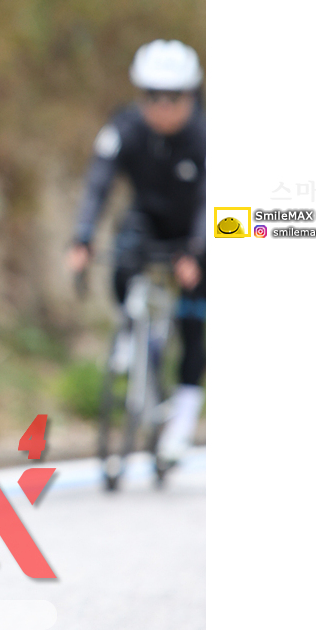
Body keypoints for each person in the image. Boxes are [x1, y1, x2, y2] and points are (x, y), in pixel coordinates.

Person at [66, 40, 205, 468]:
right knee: (124, 251)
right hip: (148, 219)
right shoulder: (125, 128)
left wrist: (196, 252)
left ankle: (184, 417)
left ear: (191, 97)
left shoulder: (207, 136)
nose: (162, 107)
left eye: (173, 97)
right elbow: (98, 183)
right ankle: (131, 328)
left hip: (201, 226)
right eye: (152, 96)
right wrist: (82, 238)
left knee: (196, 316)